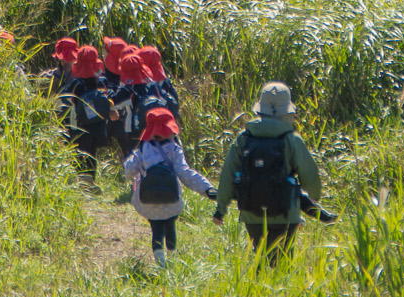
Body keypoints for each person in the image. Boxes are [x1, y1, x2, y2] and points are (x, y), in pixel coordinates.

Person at [213, 81, 322, 263]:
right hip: (286, 212)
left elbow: (228, 175)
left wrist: (220, 210)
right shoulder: (292, 140)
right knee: (283, 261)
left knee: (260, 257)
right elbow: (310, 177)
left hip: (251, 212)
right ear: (288, 112)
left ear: (260, 109)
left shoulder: (244, 138)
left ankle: (258, 280)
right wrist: (313, 201)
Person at [122, 106, 217, 271]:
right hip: (171, 197)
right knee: (170, 226)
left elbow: (129, 169)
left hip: (149, 199)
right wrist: (207, 189)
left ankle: (161, 265)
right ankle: (172, 259)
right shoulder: (174, 149)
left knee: (156, 229)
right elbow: (185, 172)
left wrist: (132, 176)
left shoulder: (143, 148)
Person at [58, 45, 114, 184]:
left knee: (79, 152)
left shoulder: (76, 84)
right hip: (98, 125)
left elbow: (64, 99)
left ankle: (82, 181)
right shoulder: (101, 81)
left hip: (80, 125)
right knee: (92, 154)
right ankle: (91, 181)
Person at [111, 52, 150, 159]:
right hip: (150, 128)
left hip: (133, 130)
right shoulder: (150, 85)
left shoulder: (128, 90)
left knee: (133, 159)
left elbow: (113, 103)